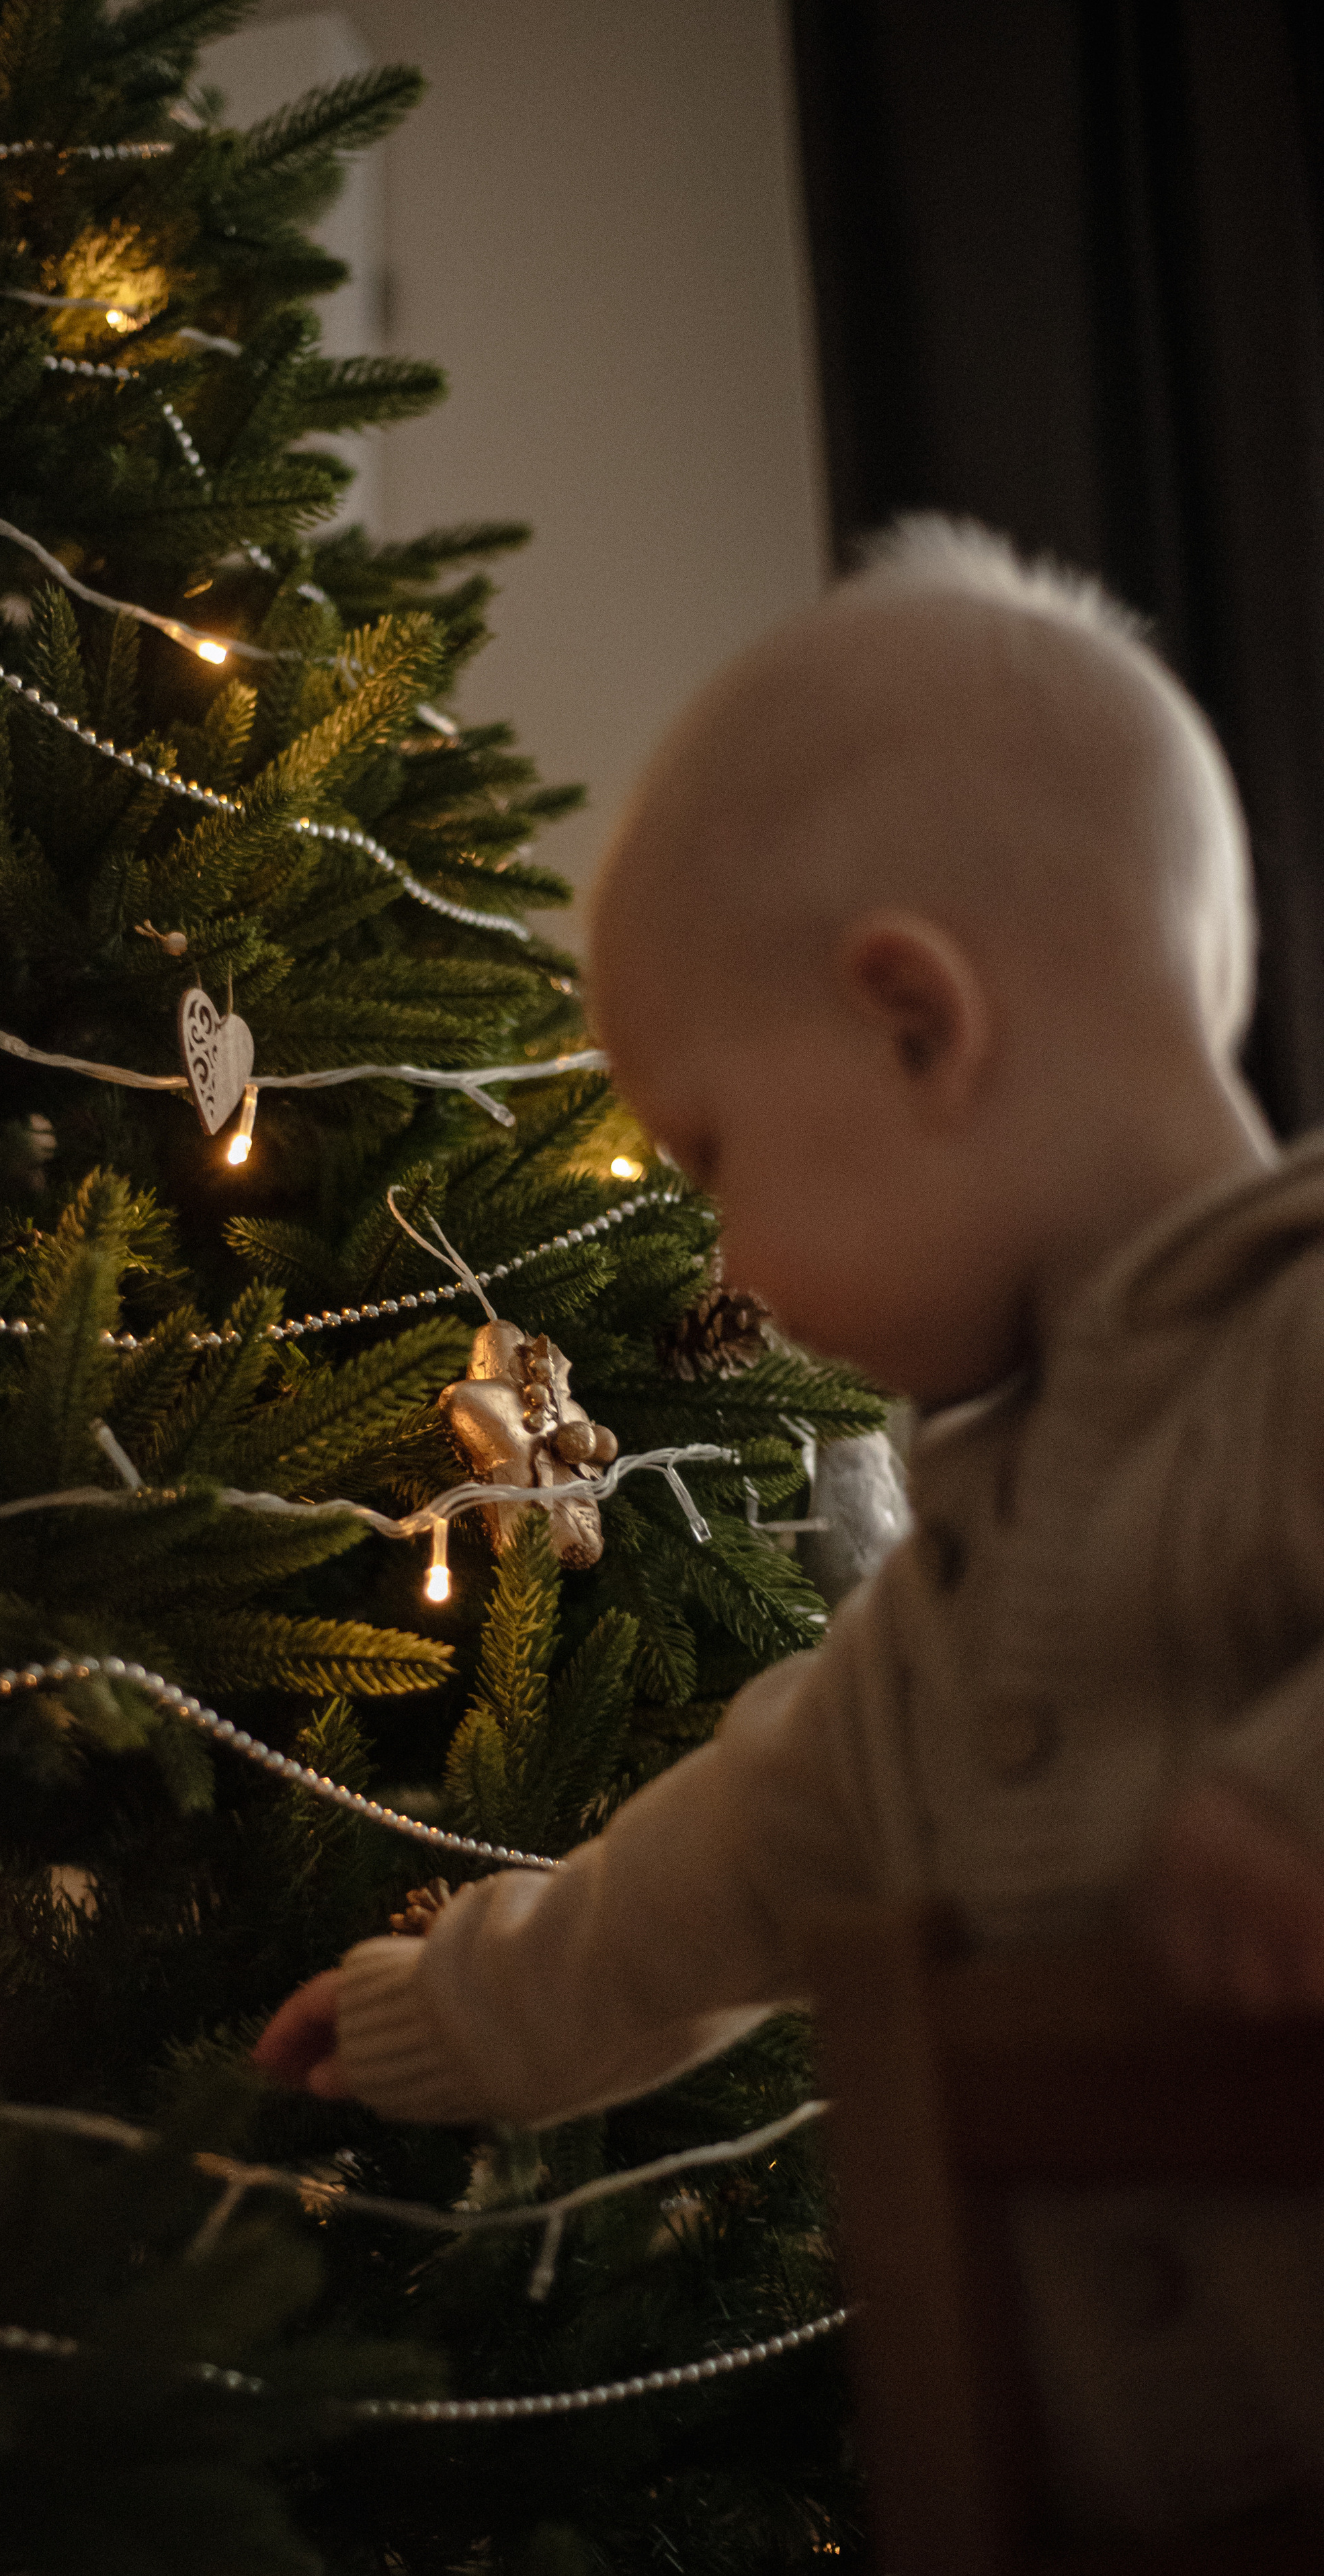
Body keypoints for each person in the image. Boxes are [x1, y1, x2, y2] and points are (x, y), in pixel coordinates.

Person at [257, 517, 1324, 2533]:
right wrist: (443, 2007)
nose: (721, 1246)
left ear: (917, 1022)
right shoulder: (954, 1620)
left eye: (716, 1151)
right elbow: (722, 1869)